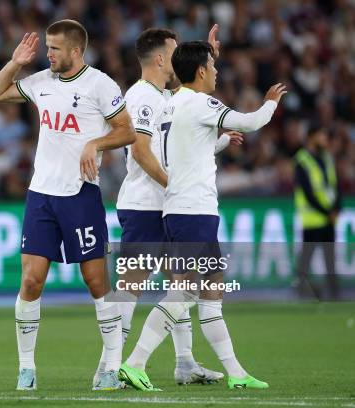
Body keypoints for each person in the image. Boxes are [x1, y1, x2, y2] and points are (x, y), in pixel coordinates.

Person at [118, 41, 286, 390]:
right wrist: (271, 101)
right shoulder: (202, 103)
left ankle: (236, 373)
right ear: (200, 71)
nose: (217, 71)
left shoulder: (172, 104)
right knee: (185, 292)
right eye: (212, 66)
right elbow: (252, 121)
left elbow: (190, 149)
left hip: (183, 209)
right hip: (194, 210)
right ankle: (135, 362)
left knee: (210, 291)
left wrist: (221, 141)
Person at [0, 19, 136, 391]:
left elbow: (127, 131)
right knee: (32, 281)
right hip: (41, 195)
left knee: (96, 282)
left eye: (54, 48)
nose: (47, 54)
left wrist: (94, 144)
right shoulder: (41, 82)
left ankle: (110, 369)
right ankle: (26, 369)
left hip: (81, 194)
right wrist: (15, 62)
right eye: (46, 48)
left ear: (76, 51)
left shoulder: (100, 84)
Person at [96, 26, 242, 388]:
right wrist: (175, 188)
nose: (178, 59)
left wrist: (208, 58)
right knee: (130, 285)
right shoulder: (142, 97)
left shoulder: (167, 96)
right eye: (175, 52)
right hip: (146, 204)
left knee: (180, 286)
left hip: (166, 206)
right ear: (160, 58)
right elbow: (142, 152)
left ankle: (185, 363)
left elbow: (182, 141)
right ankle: (108, 369)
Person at [294, 124, 341, 299]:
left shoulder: (327, 158)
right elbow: (307, 193)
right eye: (322, 135)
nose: (325, 139)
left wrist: (337, 208)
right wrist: (327, 211)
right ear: (312, 136)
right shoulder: (301, 160)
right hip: (313, 219)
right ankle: (300, 288)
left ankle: (334, 292)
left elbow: (335, 185)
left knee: (330, 258)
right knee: (307, 257)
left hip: (329, 218)